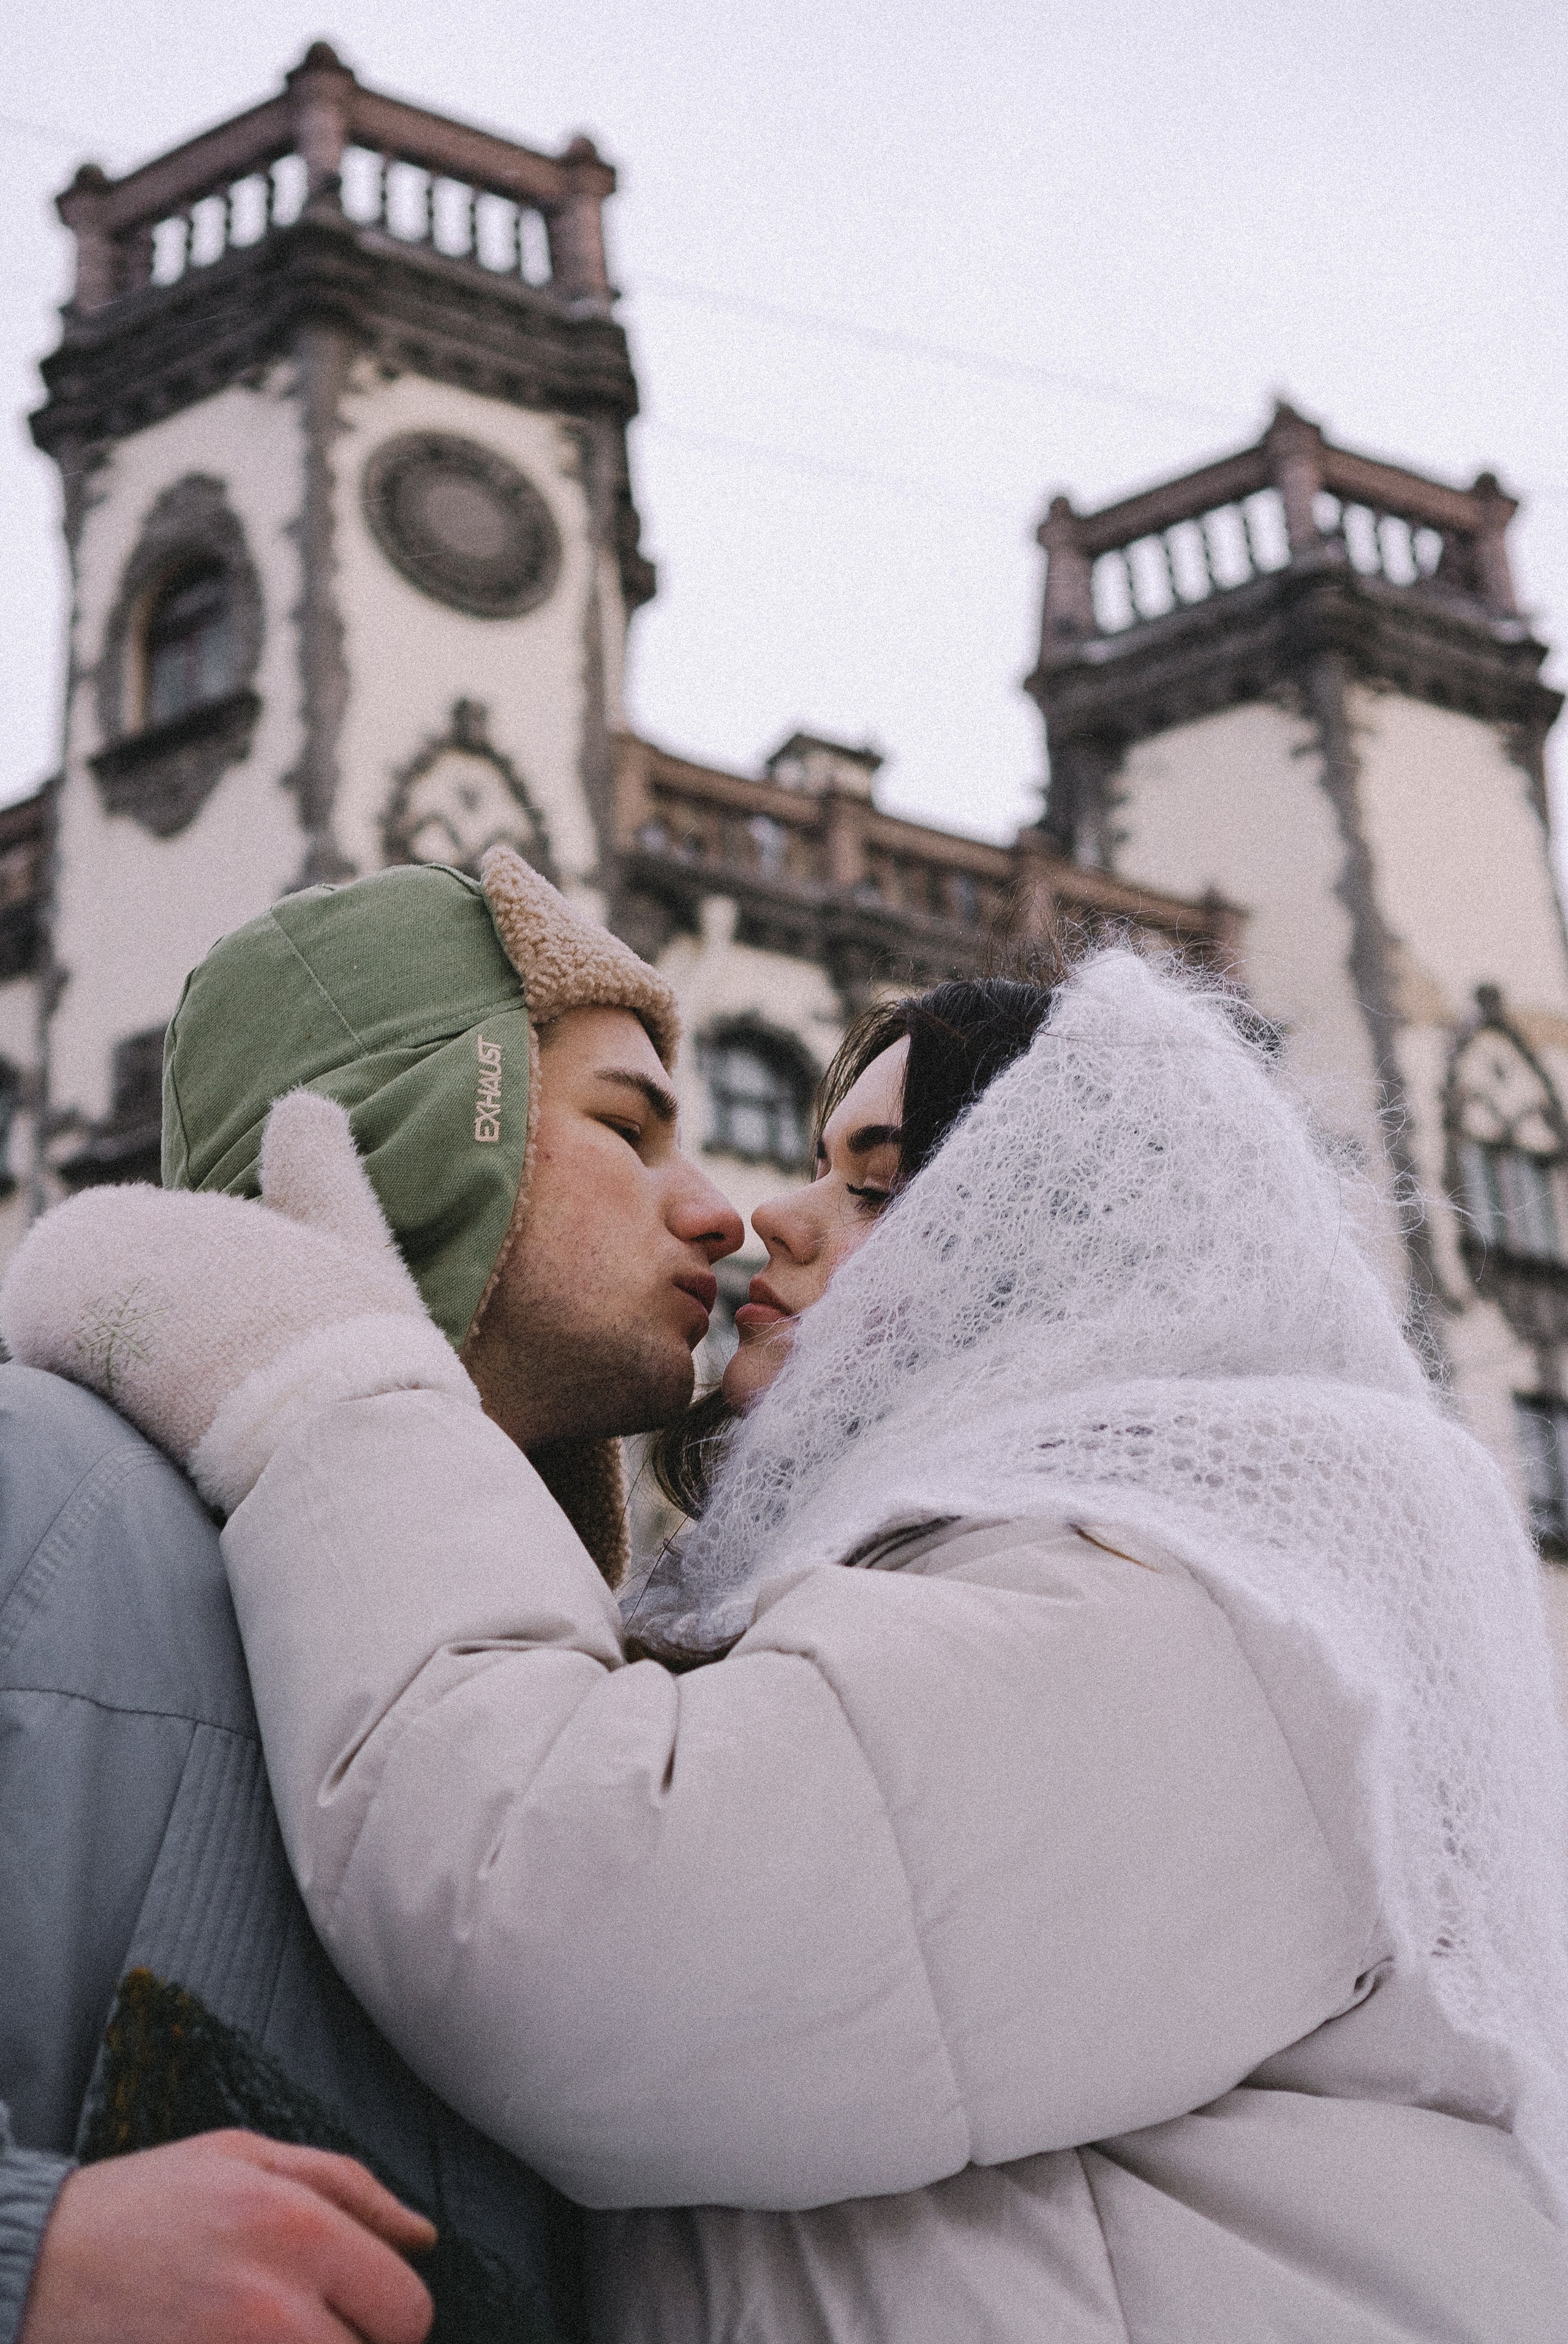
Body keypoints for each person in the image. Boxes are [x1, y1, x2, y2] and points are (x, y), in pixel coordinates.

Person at [9, 949, 1568, 2340]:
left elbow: (589, 1916)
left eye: (883, 1185)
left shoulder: (1217, 1589)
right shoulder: (980, 1578)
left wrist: (325, 1379)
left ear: (1069, 1250)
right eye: (634, 1131)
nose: (764, 1218)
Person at [0, 847, 742, 2344]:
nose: (723, 1213)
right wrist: (41, 2253)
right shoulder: (39, 1477)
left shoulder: (579, 1694)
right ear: (429, 1128)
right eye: (626, 1129)